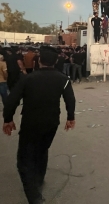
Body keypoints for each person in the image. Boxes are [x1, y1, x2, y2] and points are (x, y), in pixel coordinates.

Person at [2, 46, 76, 204]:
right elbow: (70, 99)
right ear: (56, 61)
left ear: (39, 61)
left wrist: (8, 119)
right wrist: (70, 117)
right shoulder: (63, 79)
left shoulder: (28, 78)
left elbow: (11, 100)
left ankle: (34, 197)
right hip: (51, 122)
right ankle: (39, 180)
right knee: (42, 149)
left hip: (31, 122)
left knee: (24, 159)